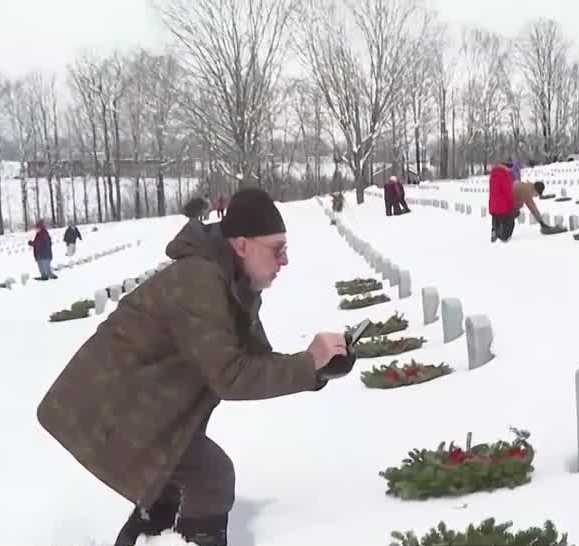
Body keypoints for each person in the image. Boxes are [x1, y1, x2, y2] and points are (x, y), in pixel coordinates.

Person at [36, 188, 356, 546]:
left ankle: (148, 533)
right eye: (277, 249)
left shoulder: (231, 282)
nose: (284, 261)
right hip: (106, 408)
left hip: (143, 409)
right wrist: (308, 364)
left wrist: (317, 369)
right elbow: (231, 377)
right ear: (242, 245)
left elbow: (255, 360)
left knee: (173, 481)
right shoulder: (199, 281)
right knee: (211, 476)